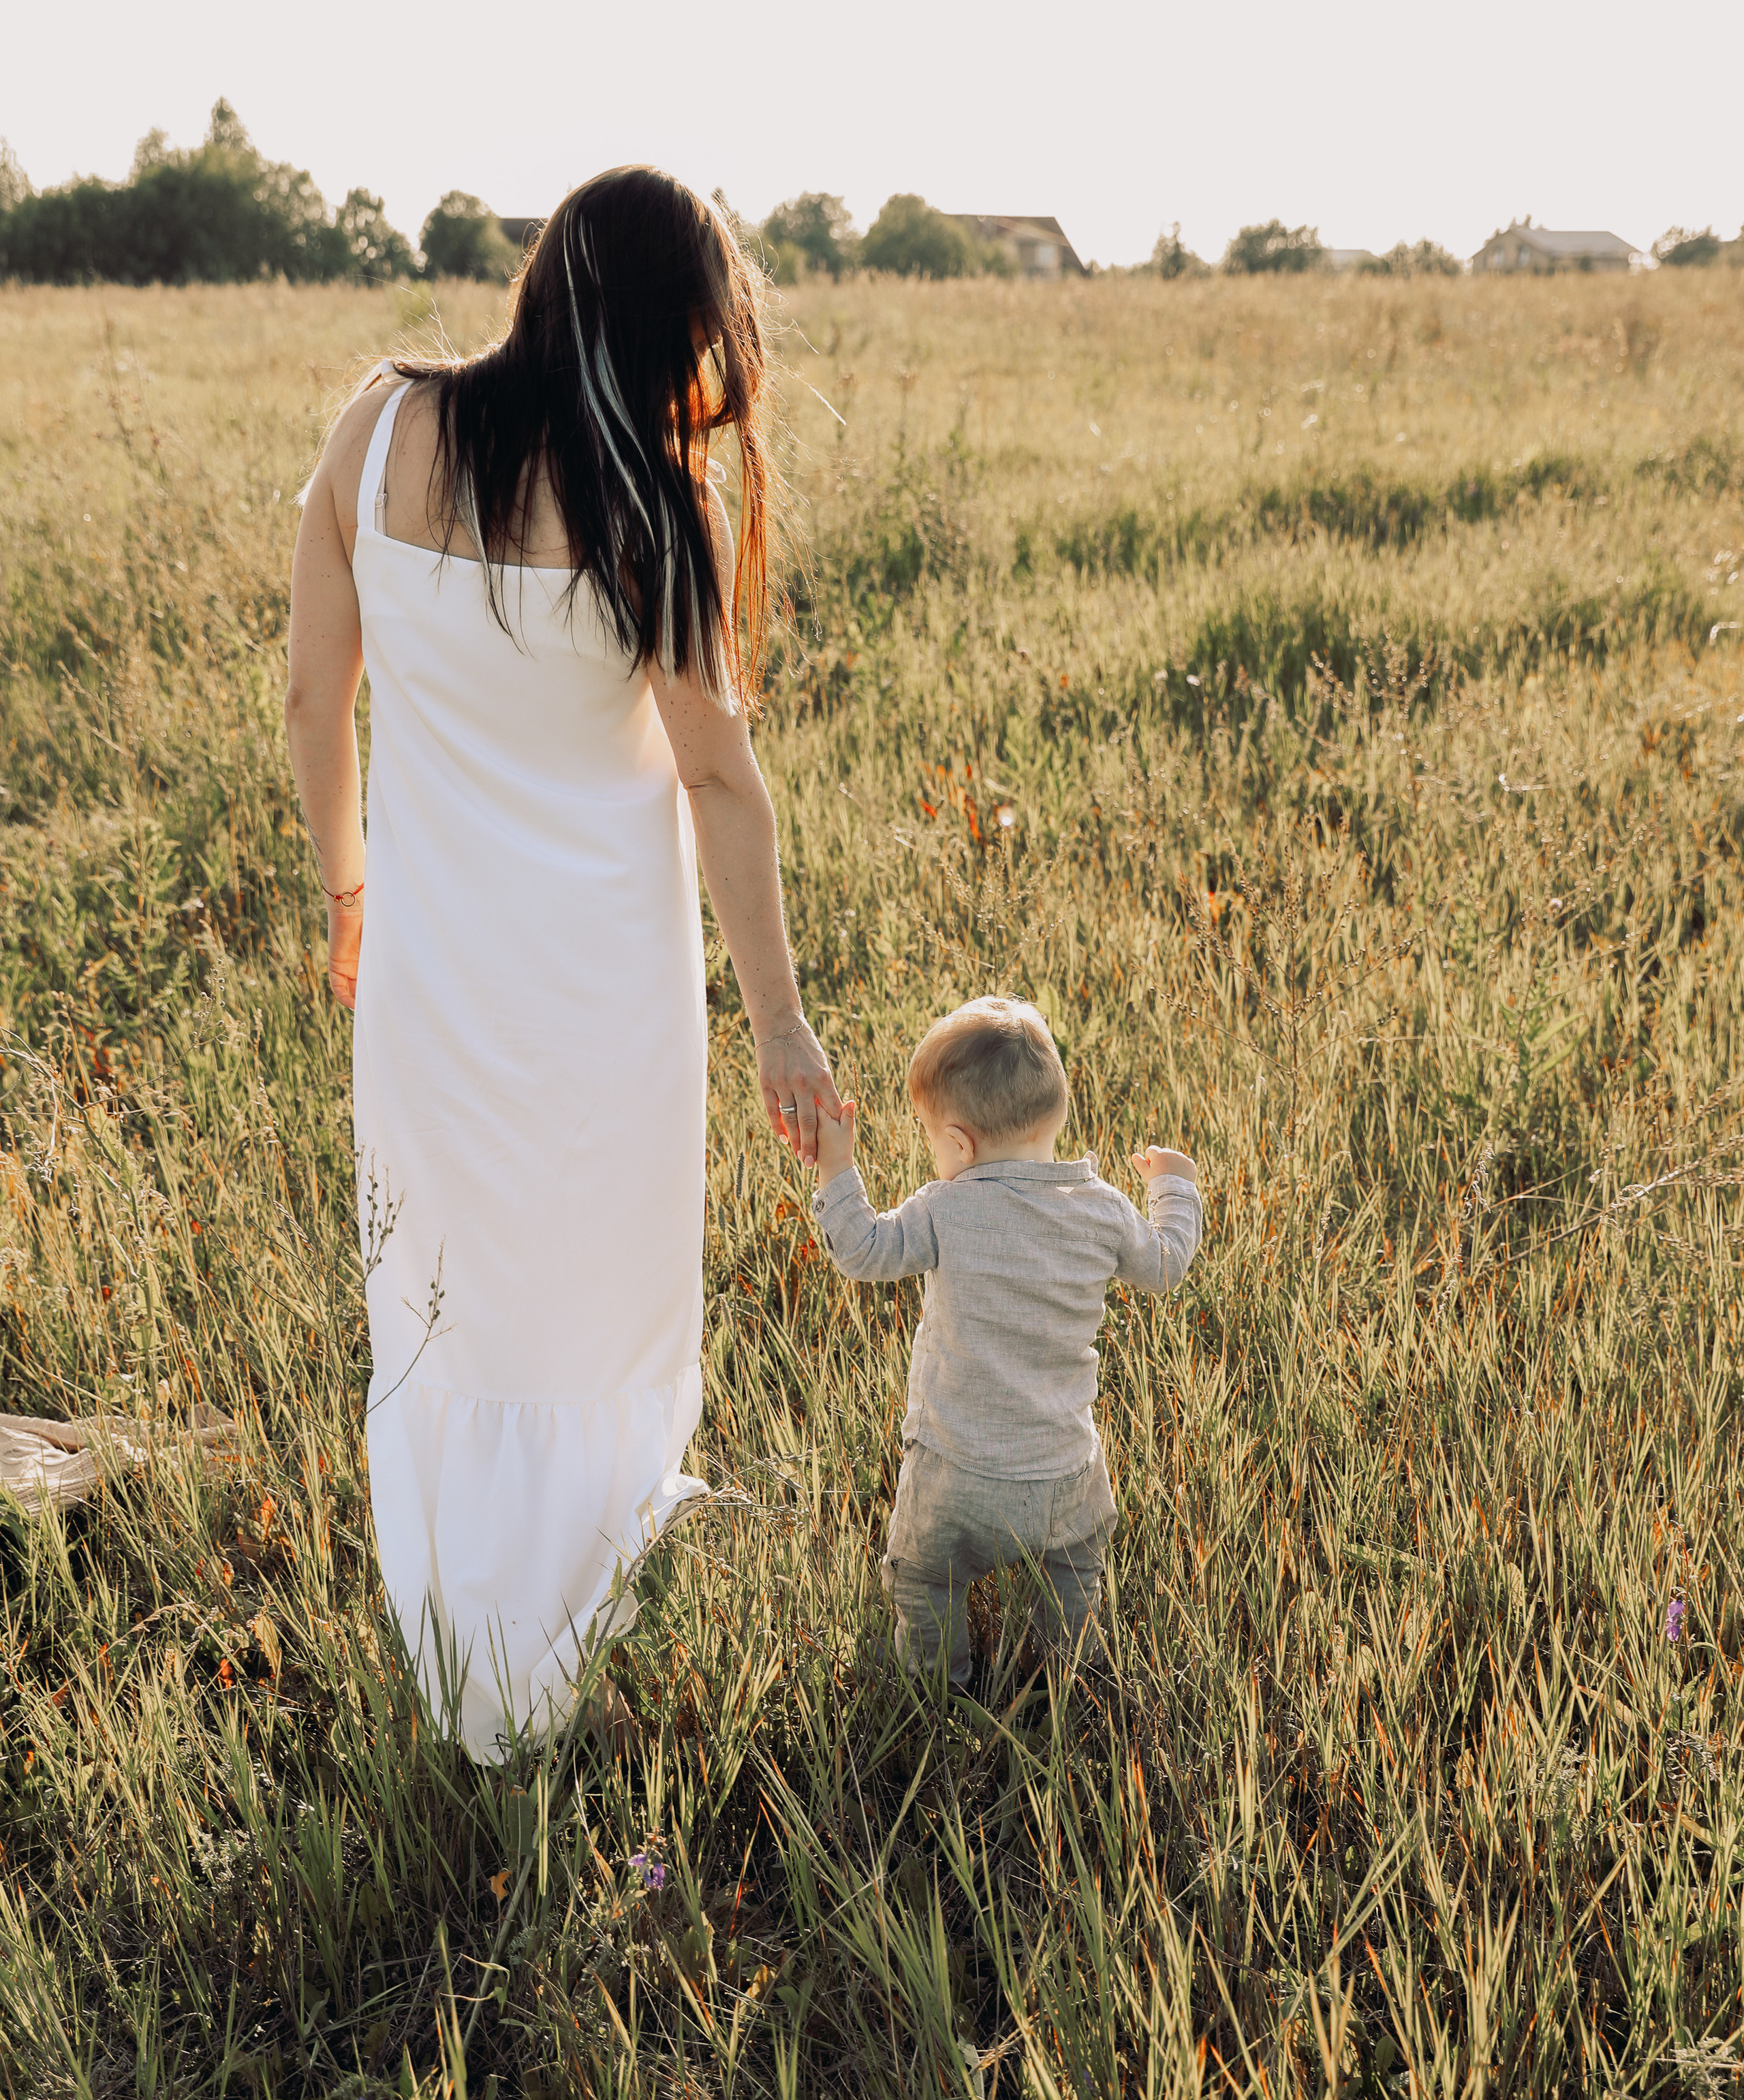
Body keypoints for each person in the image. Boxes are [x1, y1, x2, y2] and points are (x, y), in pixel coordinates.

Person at [285, 167, 839, 1760]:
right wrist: (780, 1025)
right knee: (595, 1307)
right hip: (605, 994)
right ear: (674, 323)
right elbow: (720, 782)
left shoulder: (378, 426)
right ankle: (565, 1622)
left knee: (445, 1304)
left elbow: (315, 697)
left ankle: (468, 1644)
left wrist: (347, 890)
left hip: (432, 978)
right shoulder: (652, 506)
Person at [811, 997, 1201, 1687]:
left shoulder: (946, 1207)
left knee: (925, 1578)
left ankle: (936, 1683)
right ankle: (1070, 1671)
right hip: (1064, 1471)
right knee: (1075, 1570)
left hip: (955, 1472)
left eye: (929, 1135)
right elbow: (1167, 1263)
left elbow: (863, 1249)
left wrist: (837, 1165)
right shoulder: (1104, 1210)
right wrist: (1174, 1186)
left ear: (958, 1143)